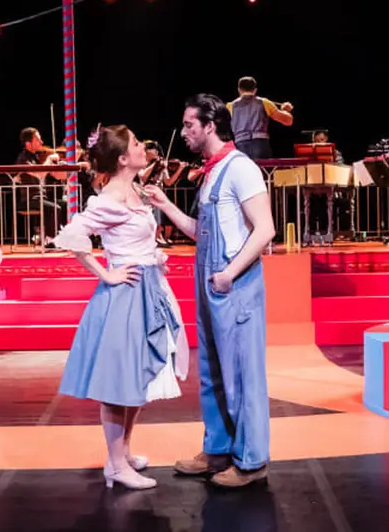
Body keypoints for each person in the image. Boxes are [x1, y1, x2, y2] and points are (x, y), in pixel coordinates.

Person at [145, 93, 276, 488]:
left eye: (189, 124)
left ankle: (251, 461)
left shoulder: (241, 169)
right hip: (211, 283)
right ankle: (218, 449)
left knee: (242, 376)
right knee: (212, 372)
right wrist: (166, 205)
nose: (184, 131)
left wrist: (229, 274)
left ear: (210, 125)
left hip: (234, 286)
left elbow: (265, 230)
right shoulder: (211, 172)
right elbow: (200, 232)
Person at [52, 124, 188, 490]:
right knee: (119, 381)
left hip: (147, 290)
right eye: (137, 143)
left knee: (137, 376)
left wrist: (153, 257)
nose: (143, 147)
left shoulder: (135, 191)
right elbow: (72, 235)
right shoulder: (110, 198)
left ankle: (123, 452)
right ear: (123, 158)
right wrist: (107, 274)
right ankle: (114, 464)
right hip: (125, 296)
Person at [226, 76, 293, 159]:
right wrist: (286, 110)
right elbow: (288, 121)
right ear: (255, 90)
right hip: (261, 145)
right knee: (262, 168)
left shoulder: (230, 106)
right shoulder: (264, 102)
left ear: (239, 90)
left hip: (240, 146)